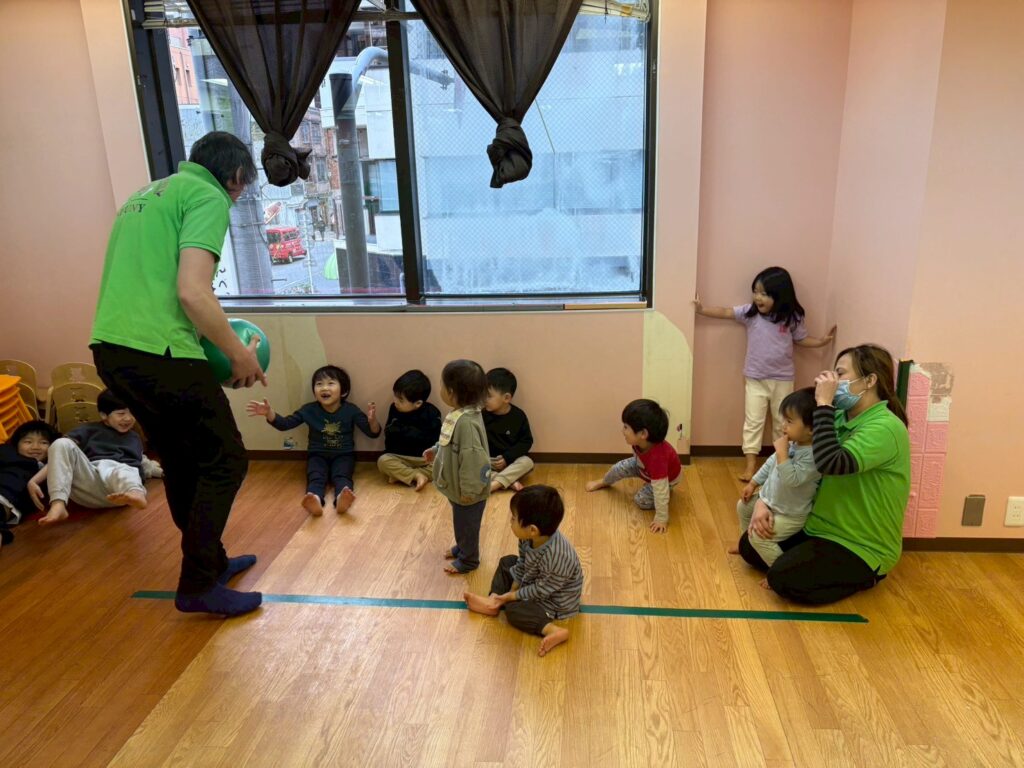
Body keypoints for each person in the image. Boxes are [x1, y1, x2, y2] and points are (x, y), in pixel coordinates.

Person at [90, 130, 265, 617]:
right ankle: (198, 584)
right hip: (159, 352)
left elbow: (161, 284)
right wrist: (238, 354)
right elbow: (192, 291)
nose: (237, 196)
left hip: (112, 350)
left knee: (184, 461)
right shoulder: (208, 195)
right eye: (242, 187)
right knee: (227, 460)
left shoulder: (145, 196)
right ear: (234, 176)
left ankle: (211, 564)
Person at [739, 344, 911, 604]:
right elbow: (789, 459)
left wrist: (823, 404)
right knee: (749, 546)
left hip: (860, 543)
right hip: (818, 525)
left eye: (840, 374)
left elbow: (831, 463)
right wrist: (763, 501)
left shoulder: (885, 427)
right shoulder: (838, 416)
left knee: (782, 579)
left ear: (870, 381)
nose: (832, 381)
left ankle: (867, 576)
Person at [694, 266, 836, 481]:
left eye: (764, 293)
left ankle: (781, 463)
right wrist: (702, 309)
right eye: (755, 292)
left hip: (783, 380)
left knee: (783, 423)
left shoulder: (792, 317)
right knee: (753, 422)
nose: (758, 297)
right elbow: (726, 312)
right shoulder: (751, 314)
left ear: (780, 295)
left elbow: (801, 339)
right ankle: (750, 465)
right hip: (755, 379)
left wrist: (820, 342)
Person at [464, 485, 583, 657]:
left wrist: (512, 597)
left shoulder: (558, 556)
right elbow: (522, 562)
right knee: (507, 562)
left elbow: (541, 590)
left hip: (554, 600)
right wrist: (513, 588)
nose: (510, 521)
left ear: (532, 529)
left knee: (513, 611)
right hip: (537, 579)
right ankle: (493, 601)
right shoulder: (527, 538)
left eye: (513, 518)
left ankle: (553, 630)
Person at [248, 365, 380, 516]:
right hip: (317, 455)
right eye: (319, 384)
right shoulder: (308, 410)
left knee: (342, 476)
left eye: (331, 383)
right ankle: (315, 499)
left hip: (344, 455)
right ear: (314, 391)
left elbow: (373, 433)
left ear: (343, 391)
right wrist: (269, 413)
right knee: (316, 476)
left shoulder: (351, 410)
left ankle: (341, 499)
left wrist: (372, 421)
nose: (324, 388)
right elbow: (285, 424)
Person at [730, 388, 820, 584]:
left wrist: (782, 454)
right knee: (743, 506)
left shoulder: (813, 456)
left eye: (790, 421)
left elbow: (791, 479)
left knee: (760, 537)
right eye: (784, 420)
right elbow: (771, 463)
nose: (783, 425)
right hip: (771, 502)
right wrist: (753, 483)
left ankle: (779, 572)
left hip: (790, 515)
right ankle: (745, 544)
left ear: (812, 429)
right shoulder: (793, 444)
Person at [36, 390, 161, 525]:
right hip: (90, 484)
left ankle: (136, 493)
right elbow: (60, 456)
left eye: (132, 413)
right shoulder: (88, 430)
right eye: (121, 414)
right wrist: (35, 480)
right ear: (103, 415)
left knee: (124, 469)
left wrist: (163, 472)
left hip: (121, 491)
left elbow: (142, 461)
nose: (128, 418)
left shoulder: (135, 438)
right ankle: (58, 503)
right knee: (60, 443)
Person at [424, 359, 491, 574]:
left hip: (468, 490)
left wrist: (469, 491)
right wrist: (436, 449)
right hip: (458, 487)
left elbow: (473, 460)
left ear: (452, 392)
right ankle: (463, 547)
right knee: (461, 520)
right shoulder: (458, 414)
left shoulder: (467, 423)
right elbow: (449, 440)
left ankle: (469, 559)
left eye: (442, 385)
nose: (440, 389)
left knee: (467, 524)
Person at [585, 399, 682, 534]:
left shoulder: (658, 459)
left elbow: (660, 490)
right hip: (643, 466)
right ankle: (604, 481)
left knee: (641, 500)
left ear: (643, 434)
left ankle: (668, 490)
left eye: (626, 427)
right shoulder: (640, 442)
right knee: (618, 468)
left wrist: (661, 518)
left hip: (665, 479)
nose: (622, 431)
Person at [376, 370, 442, 491]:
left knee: (442, 466)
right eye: (395, 396)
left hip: (424, 459)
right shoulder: (394, 408)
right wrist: (410, 433)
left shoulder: (432, 412)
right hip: (400, 457)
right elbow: (389, 433)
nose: (395, 401)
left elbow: (433, 440)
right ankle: (416, 476)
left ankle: (403, 475)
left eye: (401, 400)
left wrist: (402, 431)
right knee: (382, 461)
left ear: (418, 403)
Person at [0, 420, 58, 550]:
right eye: (28, 442)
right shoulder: (7, 452)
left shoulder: (48, 468)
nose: (35, 447)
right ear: (16, 444)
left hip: (6, 501)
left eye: (44, 443)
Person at [483, 367, 534, 493]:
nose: (483, 399)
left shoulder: (518, 416)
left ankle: (494, 485)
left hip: (510, 462)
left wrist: (507, 458)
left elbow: (526, 442)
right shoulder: (481, 415)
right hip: (488, 461)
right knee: (468, 462)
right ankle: (509, 482)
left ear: (506, 398)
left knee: (527, 462)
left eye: (488, 396)